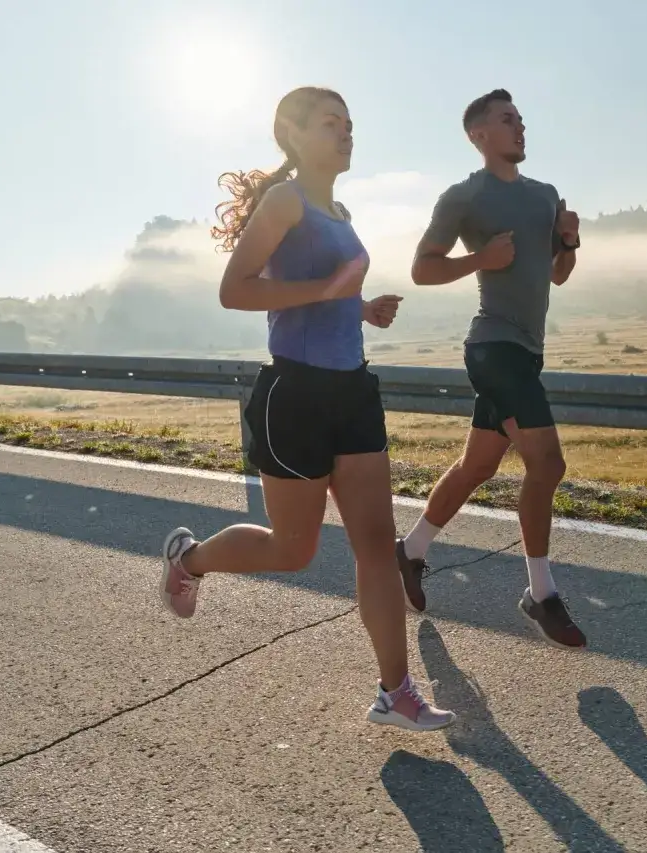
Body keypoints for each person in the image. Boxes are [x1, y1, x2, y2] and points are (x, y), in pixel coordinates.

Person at [157, 85, 455, 733]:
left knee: (376, 544)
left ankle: (395, 692)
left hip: (353, 390)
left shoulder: (339, 211)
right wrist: (327, 289)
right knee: (293, 549)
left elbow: (328, 293)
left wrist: (362, 307)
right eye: (331, 123)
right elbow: (236, 290)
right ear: (292, 135)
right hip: (293, 395)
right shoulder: (284, 201)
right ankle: (190, 558)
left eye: (351, 123)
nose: (347, 133)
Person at [396, 88, 587, 650]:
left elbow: (559, 274)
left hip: (526, 352)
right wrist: (480, 259)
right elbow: (421, 270)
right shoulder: (464, 197)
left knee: (477, 466)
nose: (520, 128)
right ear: (478, 135)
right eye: (507, 120)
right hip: (492, 347)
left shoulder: (546, 195)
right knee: (547, 464)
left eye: (522, 120)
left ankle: (409, 551)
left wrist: (570, 240)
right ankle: (541, 593)